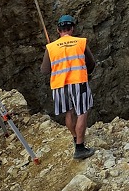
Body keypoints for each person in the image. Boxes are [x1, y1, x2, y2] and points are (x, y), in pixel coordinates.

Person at [41, 14, 97, 160]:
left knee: (69, 113)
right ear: (72, 28)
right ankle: (79, 148)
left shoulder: (51, 47)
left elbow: (45, 70)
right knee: (82, 112)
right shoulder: (80, 42)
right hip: (78, 82)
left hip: (60, 85)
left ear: (58, 30)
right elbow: (91, 63)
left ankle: (75, 137)